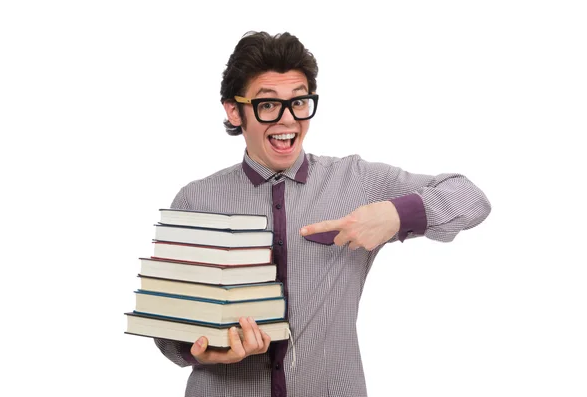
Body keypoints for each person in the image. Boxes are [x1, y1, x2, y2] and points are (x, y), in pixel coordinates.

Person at [153, 31, 491, 397]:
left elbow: (469, 197)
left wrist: (394, 215)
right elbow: (169, 329)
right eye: (268, 105)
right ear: (235, 110)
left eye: (299, 102)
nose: (288, 120)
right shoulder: (195, 199)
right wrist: (209, 351)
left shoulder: (357, 182)